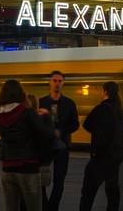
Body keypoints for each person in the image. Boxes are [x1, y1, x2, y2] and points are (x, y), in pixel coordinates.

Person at [0, 80, 55, 211]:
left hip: (7, 169)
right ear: (21, 93)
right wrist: (47, 118)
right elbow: (47, 134)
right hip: (28, 168)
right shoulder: (27, 112)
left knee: (11, 208)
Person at [80, 82, 123, 211]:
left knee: (88, 193)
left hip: (100, 158)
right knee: (112, 192)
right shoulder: (119, 110)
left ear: (105, 92)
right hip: (115, 158)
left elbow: (87, 124)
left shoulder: (101, 108)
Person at [39, 70, 79, 209]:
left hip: (63, 145)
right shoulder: (41, 102)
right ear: (49, 83)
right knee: (42, 179)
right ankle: (45, 205)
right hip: (44, 146)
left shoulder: (69, 103)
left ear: (63, 83)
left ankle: (52, 207)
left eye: (60, 81)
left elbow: (75, 124)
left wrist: (61, 132)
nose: (57, 83)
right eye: (54, 81)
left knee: (59, 180)